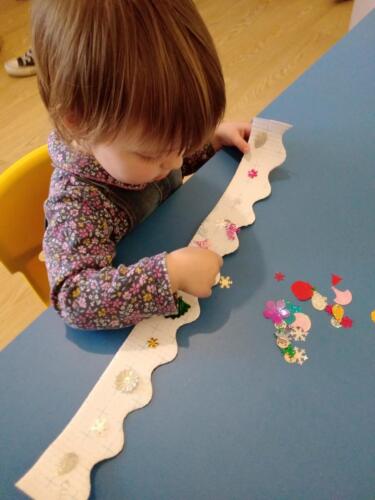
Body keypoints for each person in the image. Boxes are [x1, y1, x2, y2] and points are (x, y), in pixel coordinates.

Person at [31, 0, 251, 330]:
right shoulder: (76, 204)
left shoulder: (129, 144)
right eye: (154, 155)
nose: (176, 161)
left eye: (181, 146)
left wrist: (210, 142)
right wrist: (169, 274)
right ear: (79, 124)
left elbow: (167, 157)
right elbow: (73, 299)